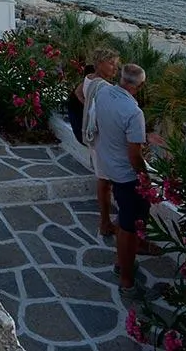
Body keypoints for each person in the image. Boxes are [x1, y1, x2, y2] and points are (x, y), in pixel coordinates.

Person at [90, 63, 151, 296]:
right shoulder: (133, 113)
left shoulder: (104, 92)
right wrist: (144, 176)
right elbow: (134, 154)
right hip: (126, 175)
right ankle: (126, 280)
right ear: (139, 86)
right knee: (128, 226)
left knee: (127, 218)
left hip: (108, 166)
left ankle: (123, 262)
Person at [76, 47, 122, 237]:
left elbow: (79, 93)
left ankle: (106, 221)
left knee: (103, 181)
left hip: (93, 137)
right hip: (102, 140)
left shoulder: (89, 80)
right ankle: (105, 222)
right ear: (100, 63)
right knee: (105, 182)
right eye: (111, 63)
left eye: (116, 65)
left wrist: (88, 109)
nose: (115, 68)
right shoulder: (105, 88)